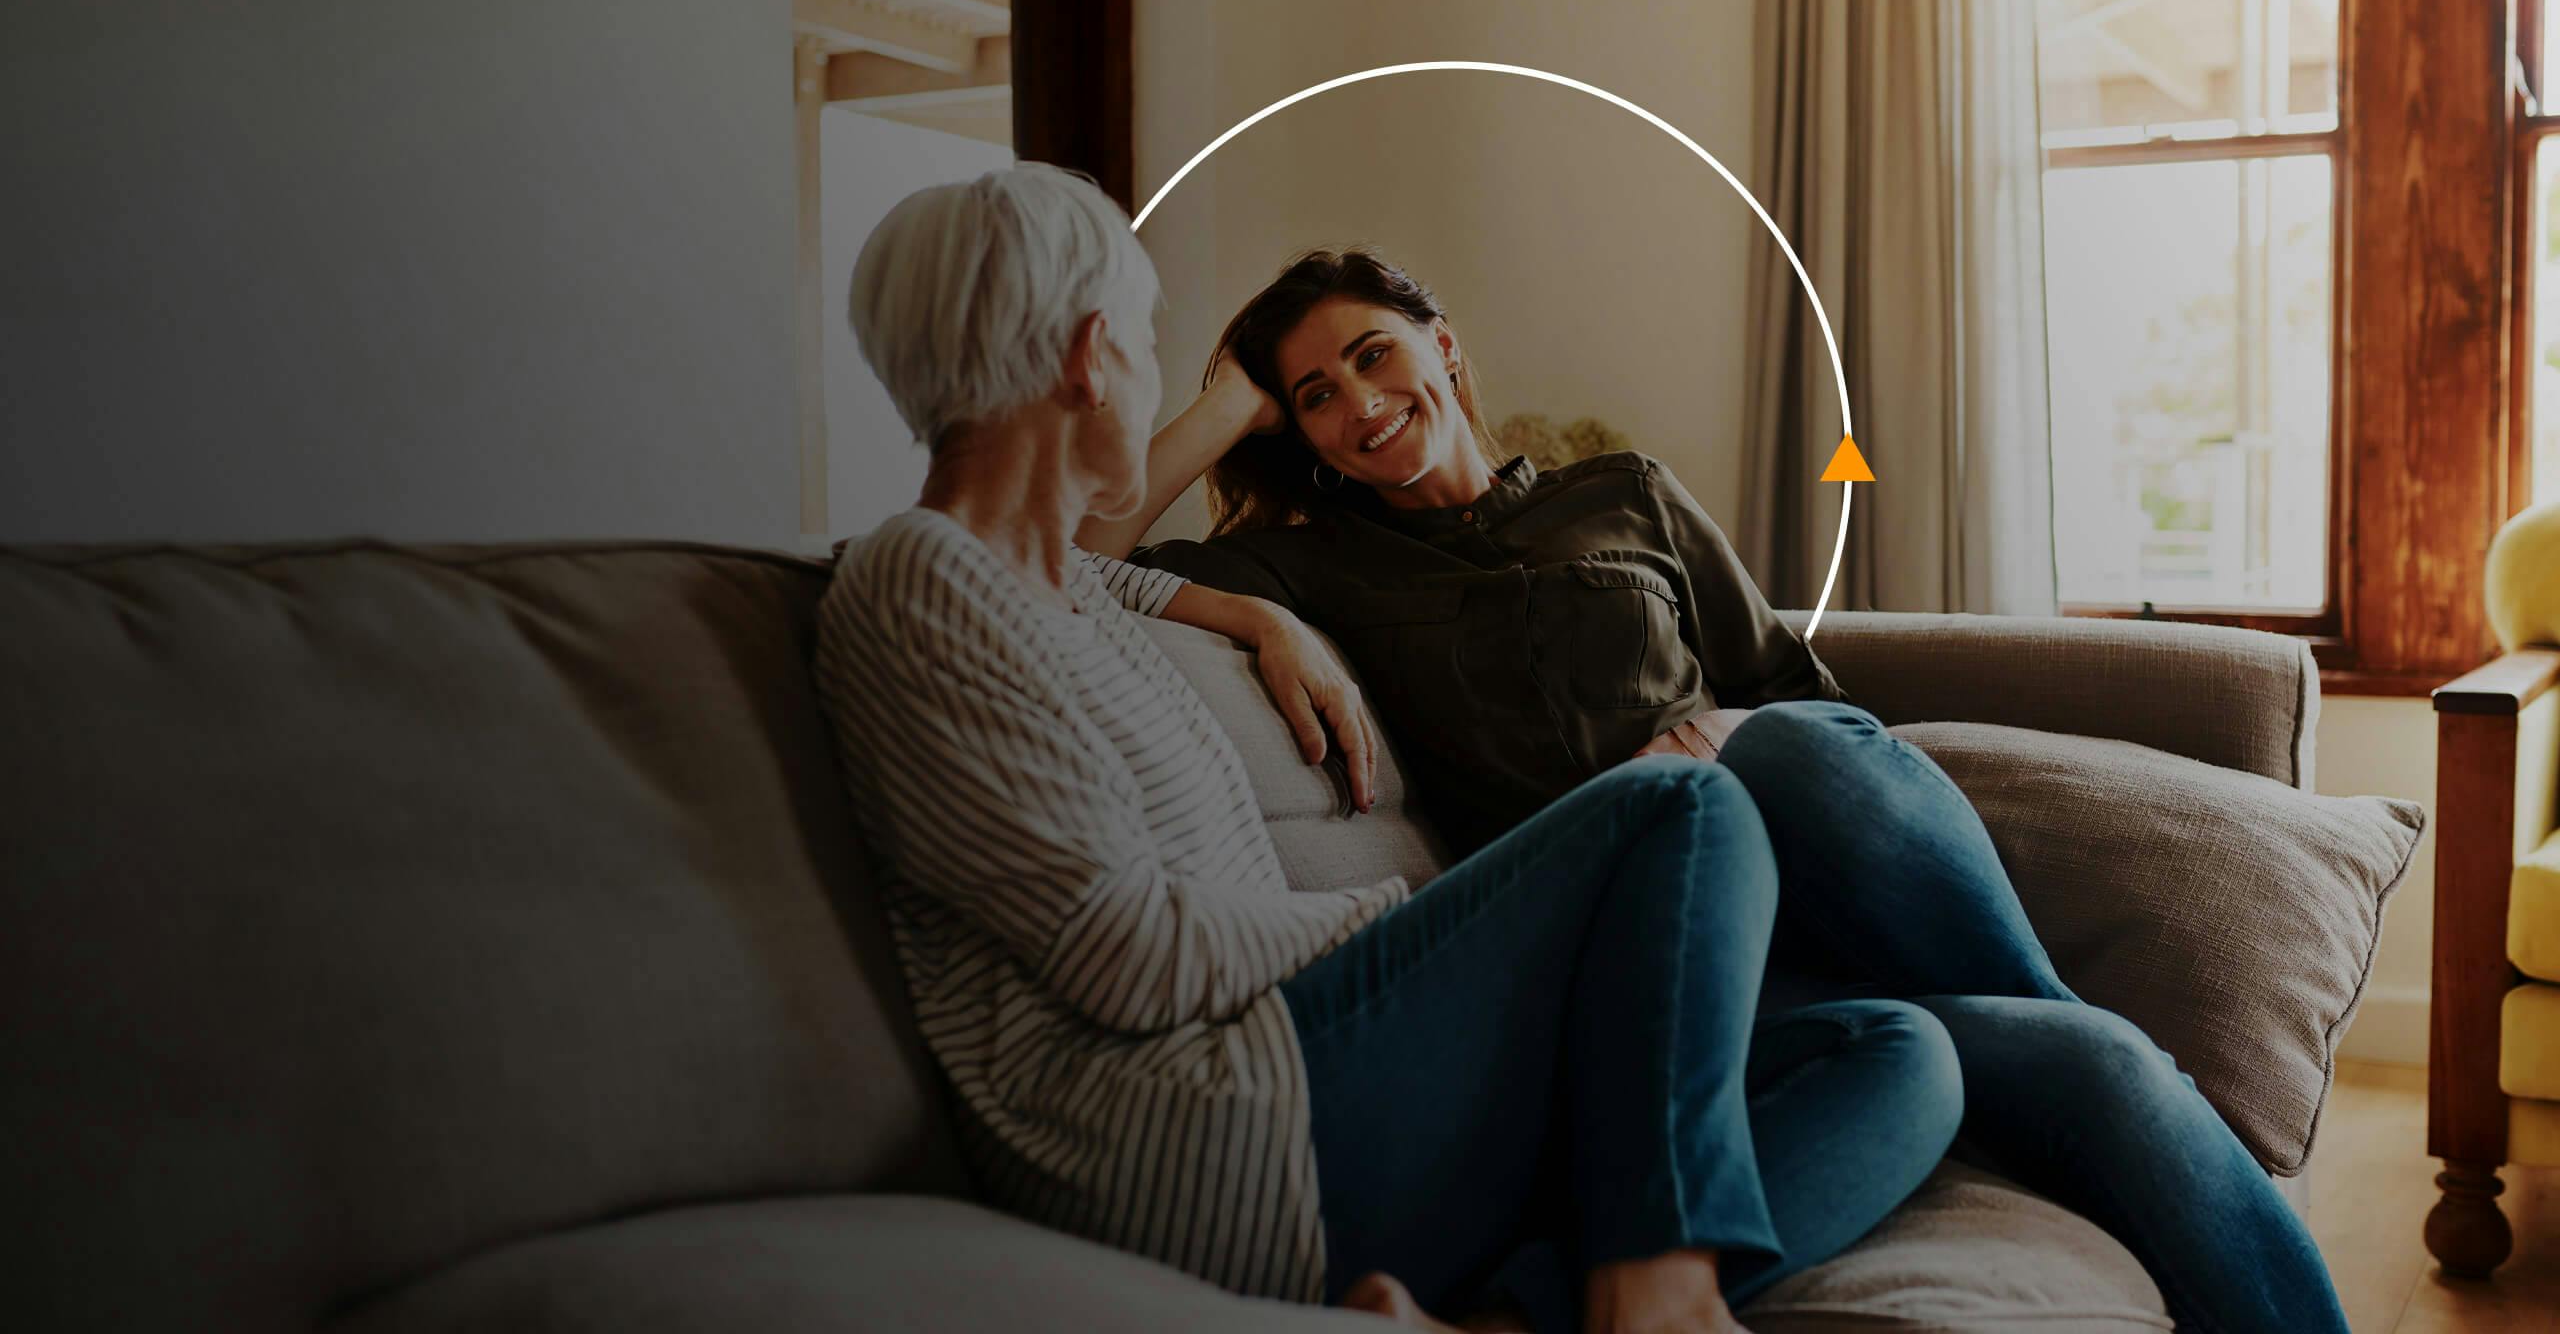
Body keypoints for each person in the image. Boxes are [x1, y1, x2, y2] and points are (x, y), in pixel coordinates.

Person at [1078, 246, 2353, 1334]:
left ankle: (2053, 1020)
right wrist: (1236, 496)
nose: (1357, 403)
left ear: (1444, 345)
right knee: (2062, 1070)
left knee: (1795, 756)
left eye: (1371, 355)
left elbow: (1812, 703)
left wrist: (1722, 734)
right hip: (1665, 963)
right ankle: (1544, 1306)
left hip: (1817, 865)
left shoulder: (1620, 493)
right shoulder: (1316, 569)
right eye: (1311, 395)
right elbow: (1071, 547)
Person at [816, 166, 1966, 1334]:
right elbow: (1132, 959)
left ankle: (1520, 1322)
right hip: (1213, 1140)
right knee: (1679, 809)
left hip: (1306, 1079)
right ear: (1090, 353)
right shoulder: (922, 581)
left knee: (1899, 1055)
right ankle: (1657, 1305)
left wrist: (1258, 616)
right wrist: (1423, 915)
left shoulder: (1055, 586)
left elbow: (1100, 563)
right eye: (1147, 341)